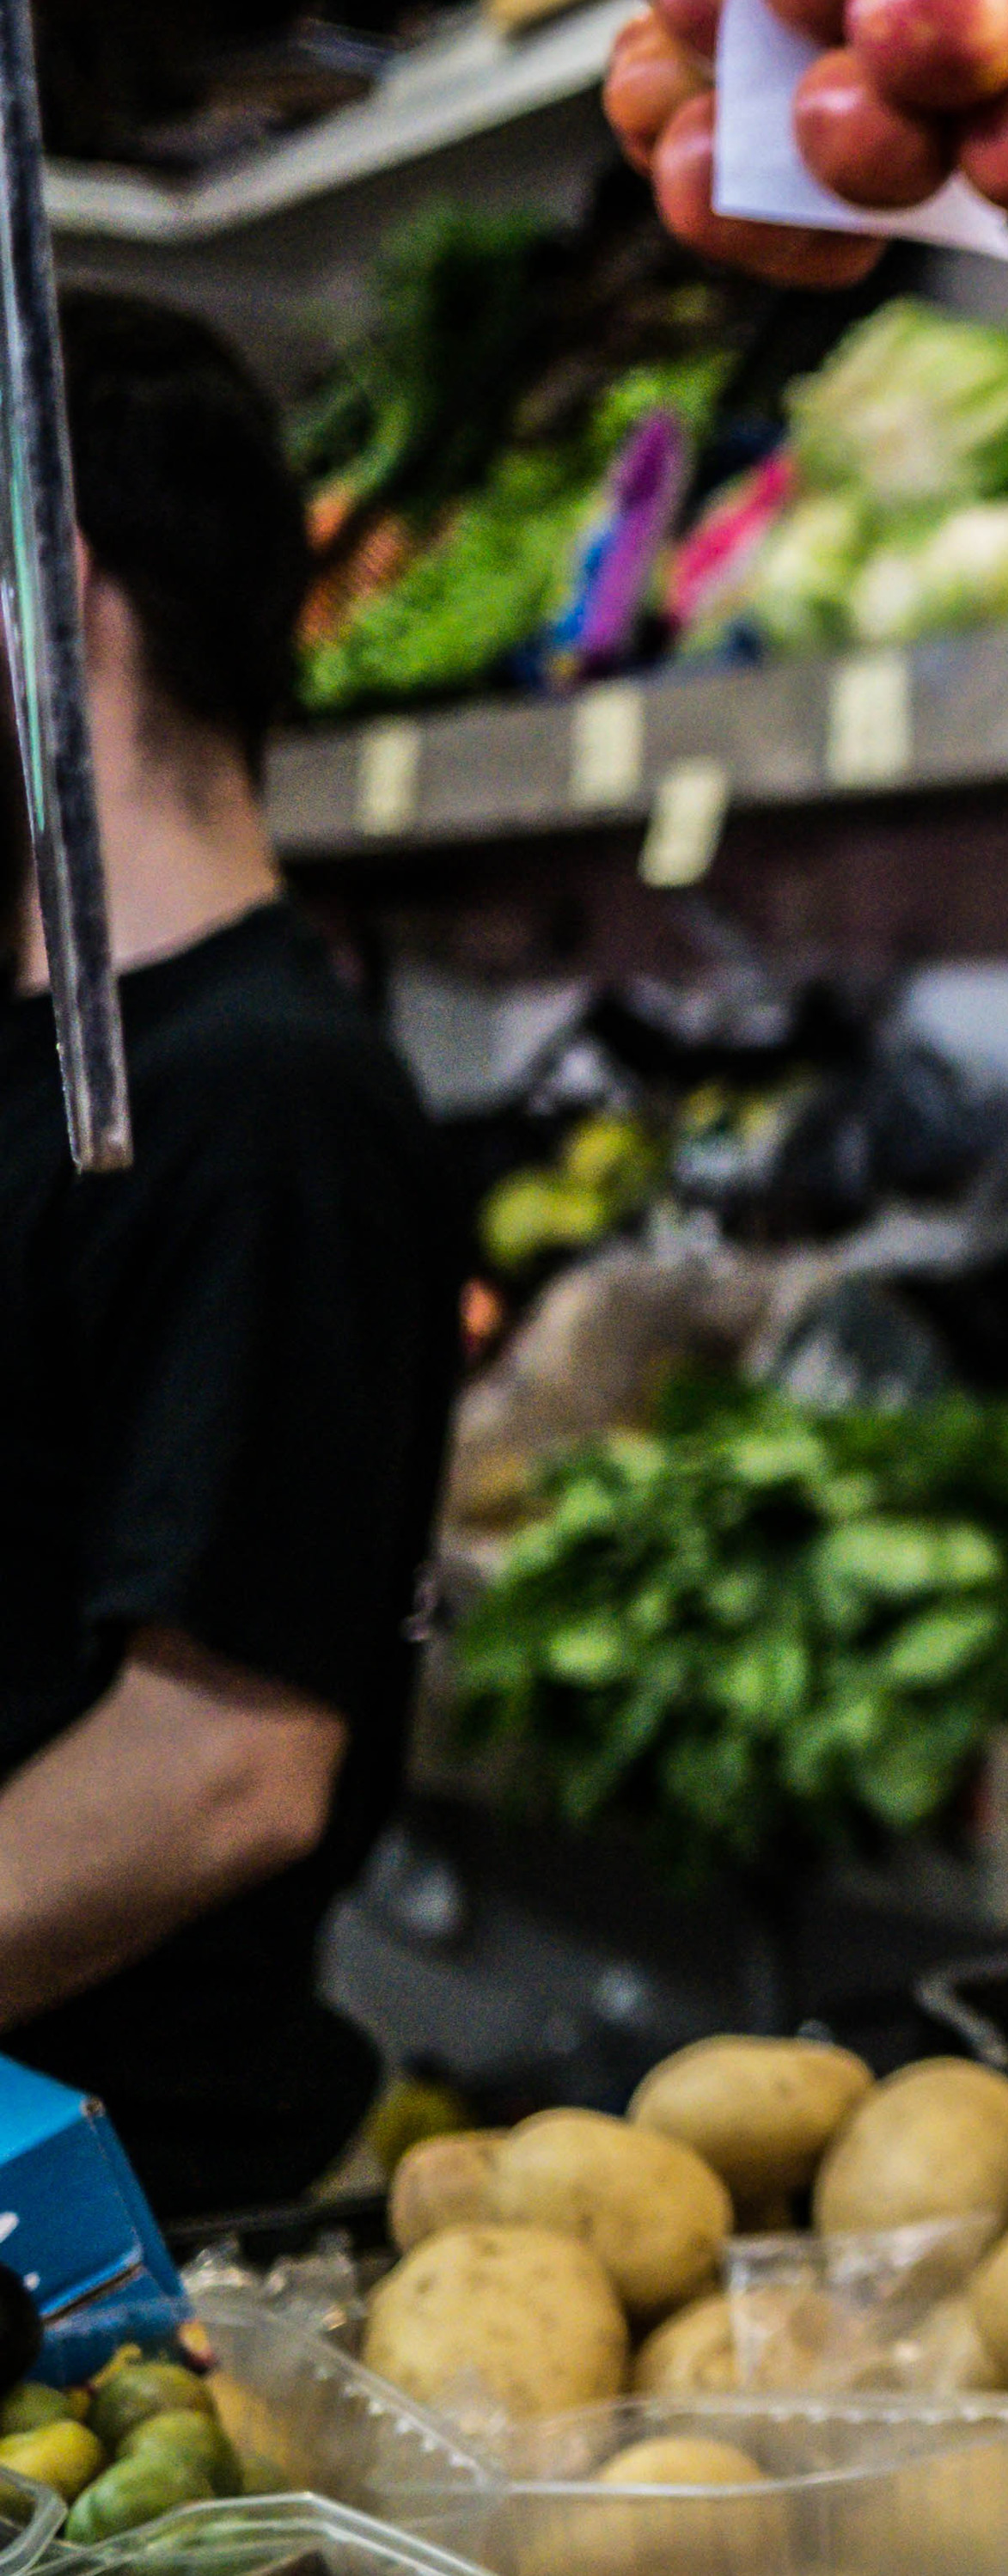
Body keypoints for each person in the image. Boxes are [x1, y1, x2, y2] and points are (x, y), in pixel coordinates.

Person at [0, 290, 460, 2214]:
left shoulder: (270, 1099)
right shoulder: (53, 1056)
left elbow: (220, 1762)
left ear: (57, 591)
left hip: (102, 2226)